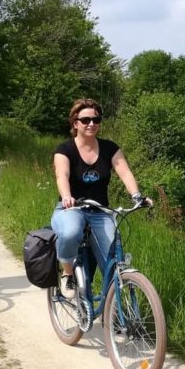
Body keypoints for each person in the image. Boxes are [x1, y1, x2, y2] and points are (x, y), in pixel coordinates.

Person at [52, 98, 148, 298]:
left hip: (100, 211)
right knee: (70, 232)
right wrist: (67, 196)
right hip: (72, 208)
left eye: (96, 120)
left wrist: (137, 196)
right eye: (85, 120)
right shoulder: (64, 150)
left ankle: (116, 315)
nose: (91, 124)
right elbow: (62, 176)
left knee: (112, 262)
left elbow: (125, 172)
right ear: (75, 123)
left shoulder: (109, 148)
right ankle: (67, 274)